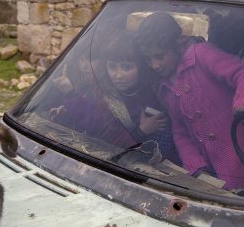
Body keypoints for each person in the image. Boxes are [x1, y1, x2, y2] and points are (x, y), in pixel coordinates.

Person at [134, 11, 244, 190]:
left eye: (160, 56)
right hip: (211, 170)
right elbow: (180, 131)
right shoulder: (163, 88)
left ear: (177, 44)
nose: (154, 65)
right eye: (148, 59)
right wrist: (196, 166)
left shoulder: (201, 54)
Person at [50, 30, 178, 162]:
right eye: (112, 67)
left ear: (141, 68)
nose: (118, 75)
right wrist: (68, 114)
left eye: (127, 68)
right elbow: (100, 135)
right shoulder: (100, 93)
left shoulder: (156, 98)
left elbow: (159, 151)